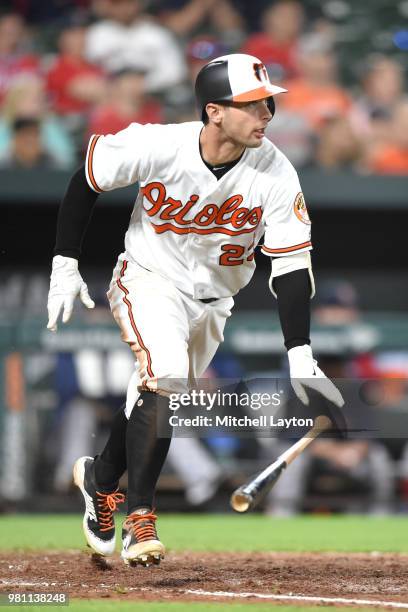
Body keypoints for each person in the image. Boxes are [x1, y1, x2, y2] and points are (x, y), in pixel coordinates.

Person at [46, 53, 344, 567]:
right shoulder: (160, 144)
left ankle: (99, 479)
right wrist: (64, 263)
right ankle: (140, 516)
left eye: (267, 103)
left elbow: (292, 267)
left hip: (214, 302)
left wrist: (300, 353)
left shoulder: (275, 171)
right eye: (250, 105)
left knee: (156, 395)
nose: (265, 115)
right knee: (163, 379)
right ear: (214, 111)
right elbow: (87, 179)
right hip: (148, 277)